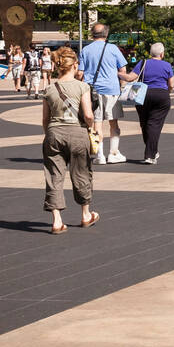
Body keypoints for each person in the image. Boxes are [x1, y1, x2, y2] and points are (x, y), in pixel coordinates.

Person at [41, 45, 99, 233]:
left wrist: (49, 132)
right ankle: (85, 214)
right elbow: (89, 115)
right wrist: (92, 130)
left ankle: (57, 220)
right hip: (77, 132)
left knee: (54, 176)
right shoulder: (82, 87)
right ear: (74, 65)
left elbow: (45, 118)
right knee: (81, 173)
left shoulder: (49, 89)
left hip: (54, 133)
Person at [77, 23, 137, 164]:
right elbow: (122, 70)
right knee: (113, 123)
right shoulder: (113, 49)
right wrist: (122, 86)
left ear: (92, 34)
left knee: (97, 124)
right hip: (112, 90)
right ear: (106, 34)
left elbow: (80, 73)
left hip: (92, 92)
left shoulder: (85, 50)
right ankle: (113, 153)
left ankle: (99, 155)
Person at [131, 42, 174, 164]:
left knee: (145, 124)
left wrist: (117, 74)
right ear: (162, 54)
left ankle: (152, 152)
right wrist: (167, 93)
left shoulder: (143, 63)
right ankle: (150, 155)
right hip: (161, 95)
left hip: (143, 95)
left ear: (150, 53)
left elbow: (130, 77)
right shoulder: (167, 65)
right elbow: (171, 85)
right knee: (154, 125)